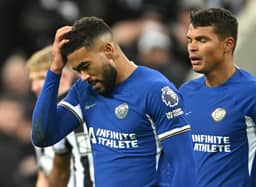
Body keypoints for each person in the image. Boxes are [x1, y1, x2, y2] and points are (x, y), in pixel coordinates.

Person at [31, 16, 195, 187]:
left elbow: (183, 163)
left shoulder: (156, 90)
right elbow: (43, 136)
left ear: (109, 49)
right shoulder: (85, 90)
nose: (84, 76)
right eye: (78, 70)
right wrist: (55, 70)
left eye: (86, 66)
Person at [179, 8, 256, 187]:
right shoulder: (186, 92)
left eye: (202, 40)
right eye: (190, 40)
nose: (192, 47)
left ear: (228, 44)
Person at [26, 45, 94, 187]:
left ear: (63, 76)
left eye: (40, 78)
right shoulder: (41, 120)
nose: (34, 87)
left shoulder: (85, 108)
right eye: (32, 80)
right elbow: (43, 174)